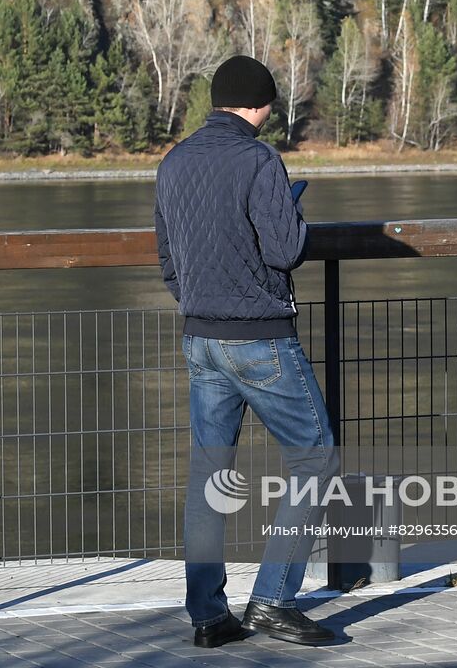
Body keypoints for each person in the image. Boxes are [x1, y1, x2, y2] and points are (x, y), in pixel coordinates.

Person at [155, 55, 337, 648]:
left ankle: (208, 614)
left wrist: (198, 302)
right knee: (316, 460)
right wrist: (293, 206)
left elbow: (167, 257)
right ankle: (274, 599)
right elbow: (286, 250)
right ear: (260, 105)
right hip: (259, 337)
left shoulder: (174, 161)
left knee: (210, 473)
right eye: (271, 105)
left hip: (199, 337)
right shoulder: (260, 159)